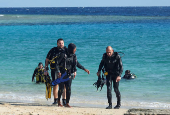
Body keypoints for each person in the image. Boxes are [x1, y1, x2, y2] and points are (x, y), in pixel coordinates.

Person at [57, 43, 90, 108]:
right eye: (74, 49)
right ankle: (58, 101)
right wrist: (58, 72)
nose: (75, 50)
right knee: (61, 88)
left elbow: (77, 63)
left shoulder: (73, 56)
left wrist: (84, 69)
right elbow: (57, 63)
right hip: (62, 74)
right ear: (71, 49)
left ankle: (67, 103)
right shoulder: (63, 54)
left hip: (69, 74)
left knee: (68, 89)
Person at [44, 38, 67, 105]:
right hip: (54, 70)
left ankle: (64, 100)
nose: (61, 44)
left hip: (63, 70)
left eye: (62, 43)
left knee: (64, 86)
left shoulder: (66, 50)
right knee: (55, 85)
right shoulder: (53, 50)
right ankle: (56, 100)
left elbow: (71, 59)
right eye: (60, 43)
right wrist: (45, 69)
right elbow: (47, 59)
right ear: (57, 44)